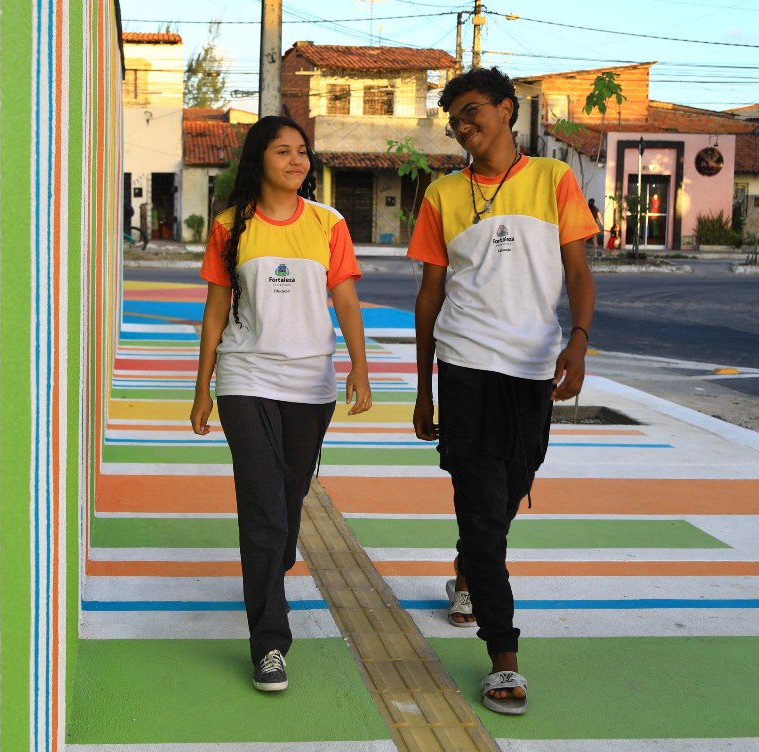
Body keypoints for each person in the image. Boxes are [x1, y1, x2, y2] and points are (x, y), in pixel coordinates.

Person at [407, 67, 596, 715]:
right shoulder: (441, 194)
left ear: (507, 110)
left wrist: (579, 338)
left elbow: (578, 270)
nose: (463, 126)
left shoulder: (553, 180)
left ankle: (467, 569)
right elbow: (429, 297)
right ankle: (503, 655)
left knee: (512, 489)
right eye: (453, 119)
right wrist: (424, 388)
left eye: (471, 112)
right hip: (464, 368)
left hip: (533, 371)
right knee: (483, 513)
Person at [190, 115, 372, 693]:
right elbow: (217, 311)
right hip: (245, 376)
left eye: (303, 153)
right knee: (264, 507)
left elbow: (344, 299)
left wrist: (360, 369)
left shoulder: (328, 223)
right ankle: (269, 641)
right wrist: (202, 387)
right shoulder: (228, 227)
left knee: (288, 500)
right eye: (283, 151)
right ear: (259, 160)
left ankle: (274, 554)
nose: (297, 161)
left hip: (310, 384)